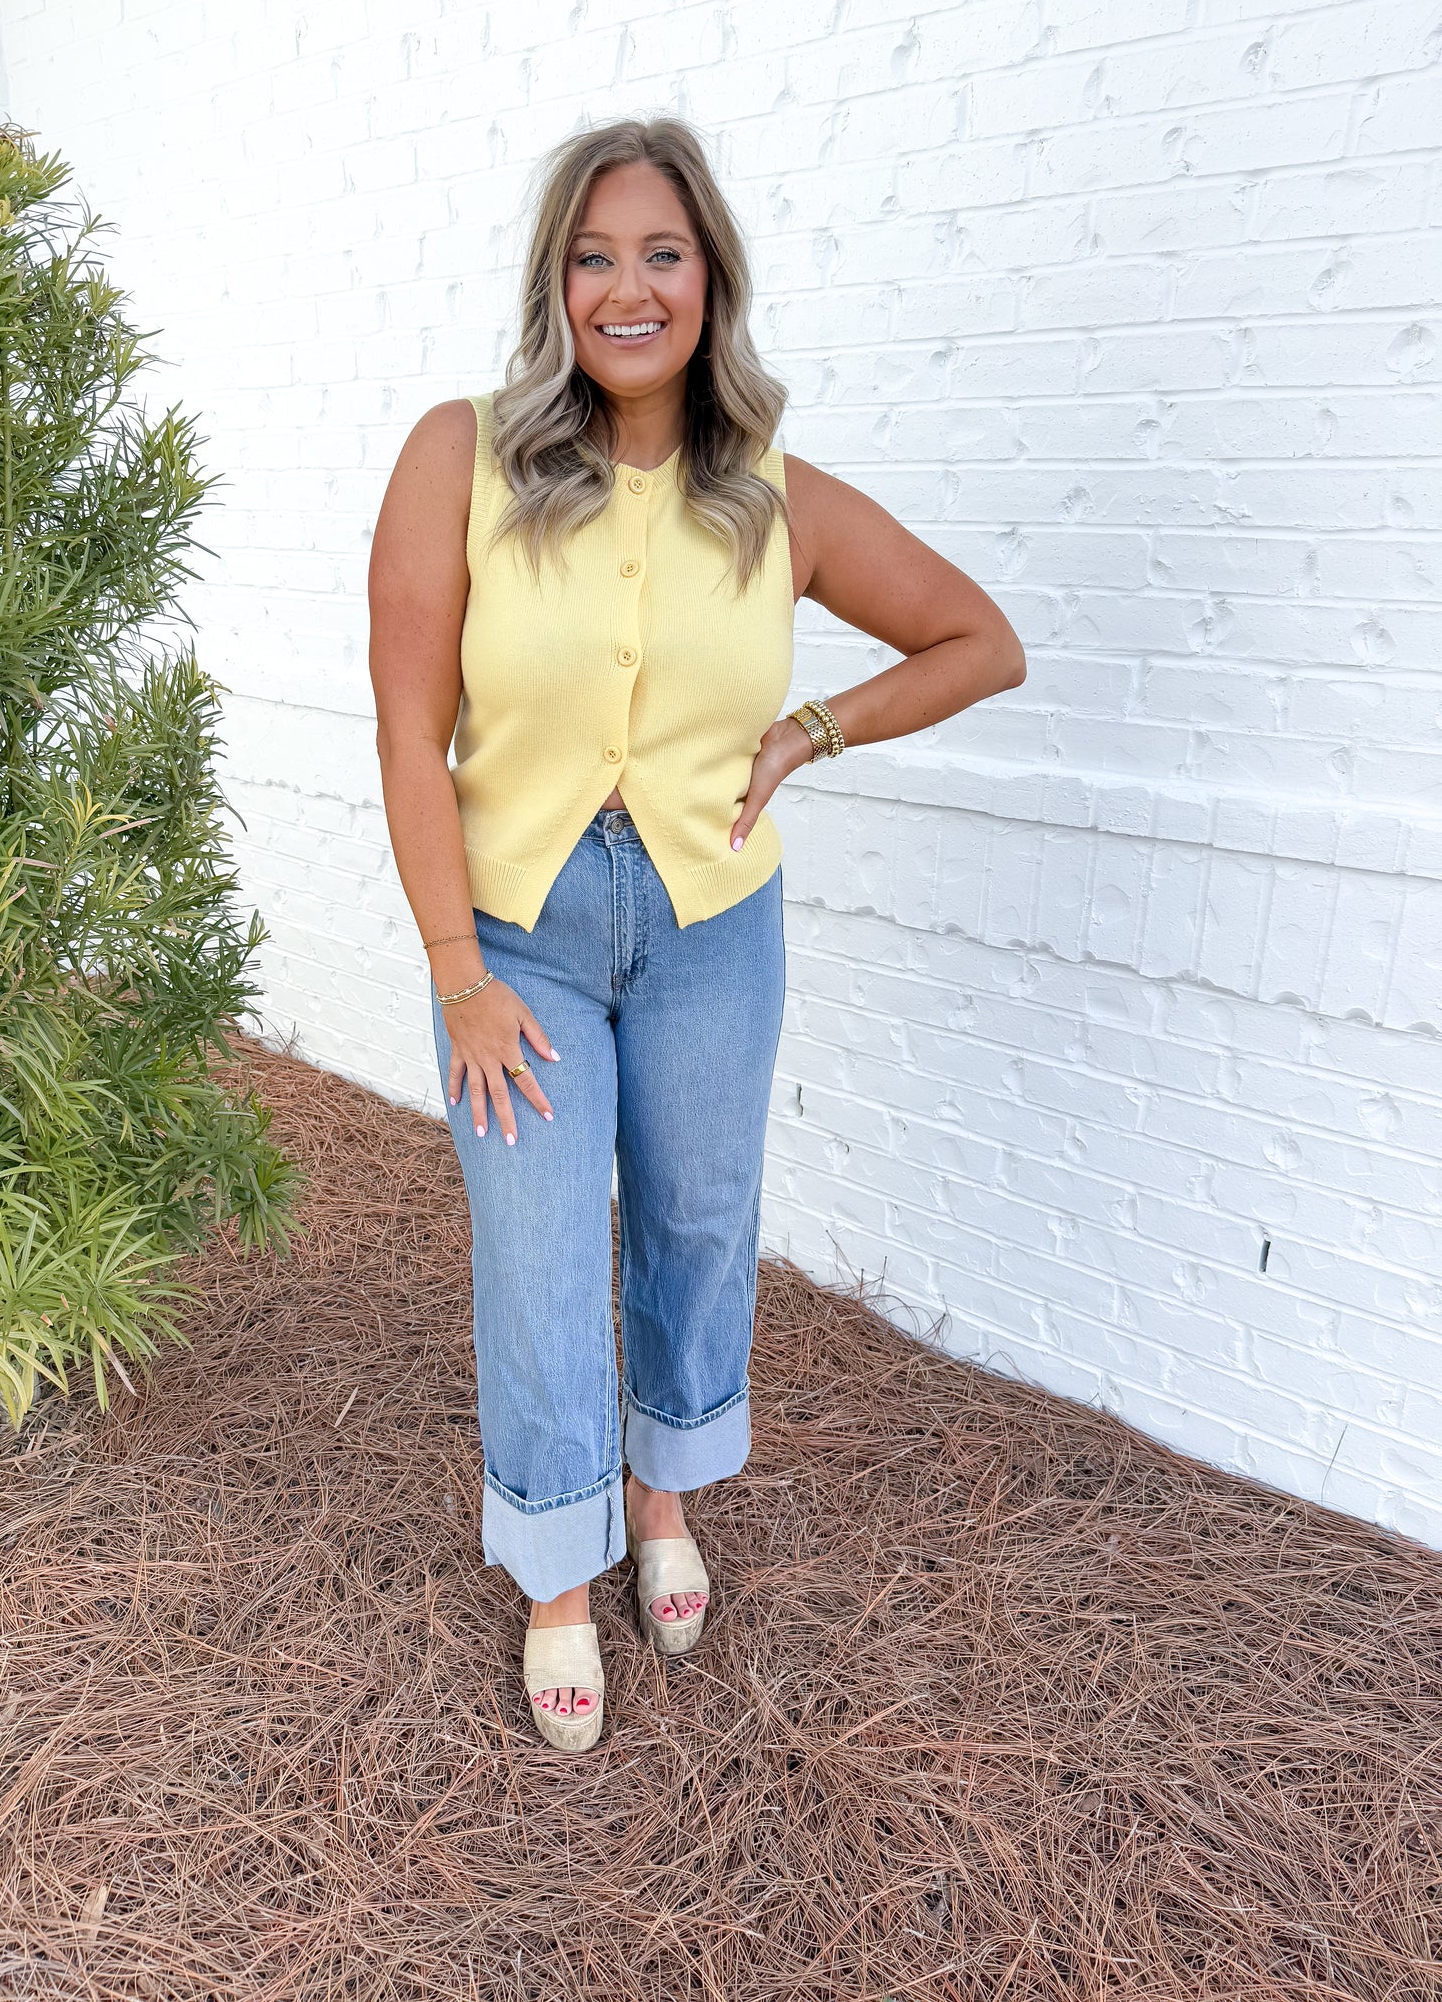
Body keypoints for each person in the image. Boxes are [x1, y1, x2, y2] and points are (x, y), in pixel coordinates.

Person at [368, 116, 1025, 1752]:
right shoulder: (463, 457)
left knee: (696, 1218)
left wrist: (815, 728)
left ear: (709, 275)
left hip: (711, 922)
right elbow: (404, 731)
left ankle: (664, 1499)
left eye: (661, 252)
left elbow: (980, 642)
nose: (628, 286)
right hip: (515, 931)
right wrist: (457, 976)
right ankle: (556, 1577)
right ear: (556, 285)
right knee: (533, 1250)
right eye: (594, 256)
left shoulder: (776, 500)